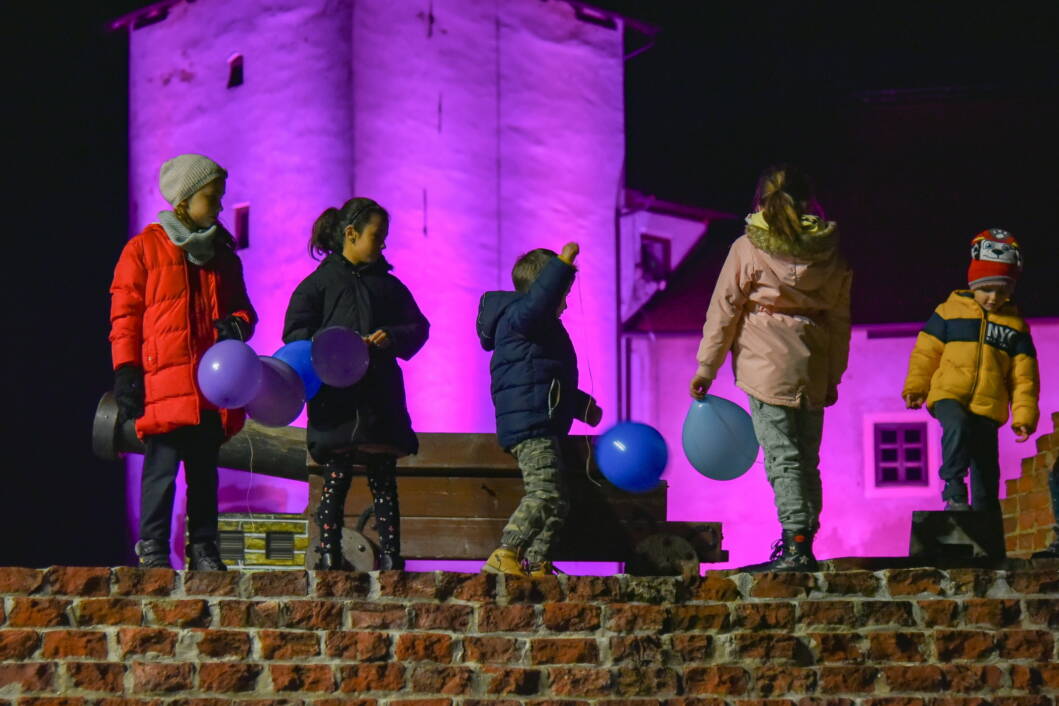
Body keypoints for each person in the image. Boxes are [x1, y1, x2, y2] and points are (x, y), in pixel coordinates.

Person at [690, 165, 851, 572]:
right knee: (807, 458)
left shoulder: (748, 248)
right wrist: (833, 375)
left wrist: (706, 368)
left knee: (783, 458)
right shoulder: (829, 251)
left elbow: (724, 310)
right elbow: (840, 320)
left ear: (759, 201)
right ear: (809, 200)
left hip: (766, 366)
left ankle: (795, 545)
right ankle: (805, 542)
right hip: (811, 362)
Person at [110, 153, 257, 570]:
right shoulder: (143, 250)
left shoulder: (222, 254)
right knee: (161, 469)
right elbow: (125, 317)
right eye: (211, 197)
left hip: (210, 385)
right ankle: (153, 548)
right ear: (185, 199)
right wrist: (127, 371)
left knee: (204, 473)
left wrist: (237, 326)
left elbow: (245, 310)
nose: (219, 206)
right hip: (163, 381)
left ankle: (204, 549)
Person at [283, 198, 429, 570]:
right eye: (377, 236)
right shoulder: (318, 285)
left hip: (378, 397)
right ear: (351, 234)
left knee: (384, 478)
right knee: (336, 476)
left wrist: (391, 336)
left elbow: (418, 328)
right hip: (337, 400)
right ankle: (328, 552)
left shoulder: (389, 286)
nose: (382, 245)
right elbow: (295, 335)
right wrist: (336, 343)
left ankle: (393, 557)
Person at [476, 242, 603, 577]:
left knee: (559, 501)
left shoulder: (535, 326)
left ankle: (537, 564)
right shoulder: (521, 317)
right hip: (530, 423)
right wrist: (562, 266)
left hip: (541, 419)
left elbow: (547, 376)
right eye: (562, 293)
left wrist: (580, 405)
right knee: (544, 493)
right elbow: (542, 300)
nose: (564, 304)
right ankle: (506, 553)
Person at [903, 228, 1039, 512]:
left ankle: (986, 518)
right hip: (949, 393)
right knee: (957, 426)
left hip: (988, 405)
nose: (992, 297)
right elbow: (926, 353)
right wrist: (917, 387)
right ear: (973, 284)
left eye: (1001, 291)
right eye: (986, 289)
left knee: (986, 464)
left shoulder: (1015, 327)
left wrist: (1024, 415)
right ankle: (953, 489)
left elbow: (1024, 377)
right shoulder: (949, 312)